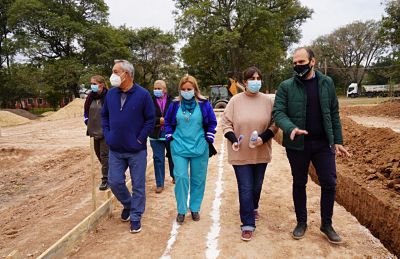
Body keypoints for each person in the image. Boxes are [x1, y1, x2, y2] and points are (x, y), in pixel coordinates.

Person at [273, 47, 351, 244]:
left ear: (312, 61)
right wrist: (290, 128)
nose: (297, 66)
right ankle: (301, 222)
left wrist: (338, 140)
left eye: (301, 62)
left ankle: (326, 224)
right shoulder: (286, 86)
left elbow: (333, 113)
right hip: (297, 145)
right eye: (295, 63)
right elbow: (279, 113)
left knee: (329, 182)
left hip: (323, 144)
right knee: (299, 182)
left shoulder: (327, 83)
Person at [222, 67, 278, 241]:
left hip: (261, 151)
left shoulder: (268, 101)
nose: (256, 81)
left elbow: (275, 124)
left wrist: (264, 137)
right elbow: (225, 123)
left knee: (256, 186)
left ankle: (253, 207)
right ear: (244, 82)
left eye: (258, 78)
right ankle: (247, 224)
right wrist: (233, 139)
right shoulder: (235, 101)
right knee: (245, 188)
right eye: (252, 78)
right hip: (240, 153)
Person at [102, 59, 155, 234]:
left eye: (116, 71)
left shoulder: (143, 94)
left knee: (138, 185)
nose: (113, 75)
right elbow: (105, 116)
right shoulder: (110, 94)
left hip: (136, 150)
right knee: (115, 182)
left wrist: (140, 139)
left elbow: (150, 120)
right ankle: (129, 204)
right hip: (115, 149)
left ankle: (135, 216)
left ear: (127, 74)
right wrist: (108, 135)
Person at [164, 75, 217, 224]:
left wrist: (209, 136)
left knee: (198, 179)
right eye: (183, 89)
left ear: (195, 89)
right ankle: (181, 210)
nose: (186, 91)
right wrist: (169, 135)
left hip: (199, 147)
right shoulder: (175, 105)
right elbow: (167, 121)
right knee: (180, 177)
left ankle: (194, 208)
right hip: (179, 146)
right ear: (180, 90)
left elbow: (212, 122)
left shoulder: (204, 104)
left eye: (189, 89)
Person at [83, 75, 109, 191]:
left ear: (101, 85)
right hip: (94, 130)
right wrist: (86, 119)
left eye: (94, 83)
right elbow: (86, 110)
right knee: (98, 154)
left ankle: (106, 179)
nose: (92, 85)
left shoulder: (108, 96)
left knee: (104, 155)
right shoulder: (90, 97)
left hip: (106, 130)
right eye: (91, 83)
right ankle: (111, 171)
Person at [149, 80, 175, 193]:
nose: (157, 90)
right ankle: (159, 183)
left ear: (165, 89)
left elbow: (176, 116)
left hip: (170, 133)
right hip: (155, 134)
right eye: (155, 88)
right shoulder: (149, 101)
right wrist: (158, 120)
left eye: (159, 88)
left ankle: (175, 176)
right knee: (158, 159)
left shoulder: (173, 101)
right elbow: (146, 117)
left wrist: (167, 121)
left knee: (173, 156)